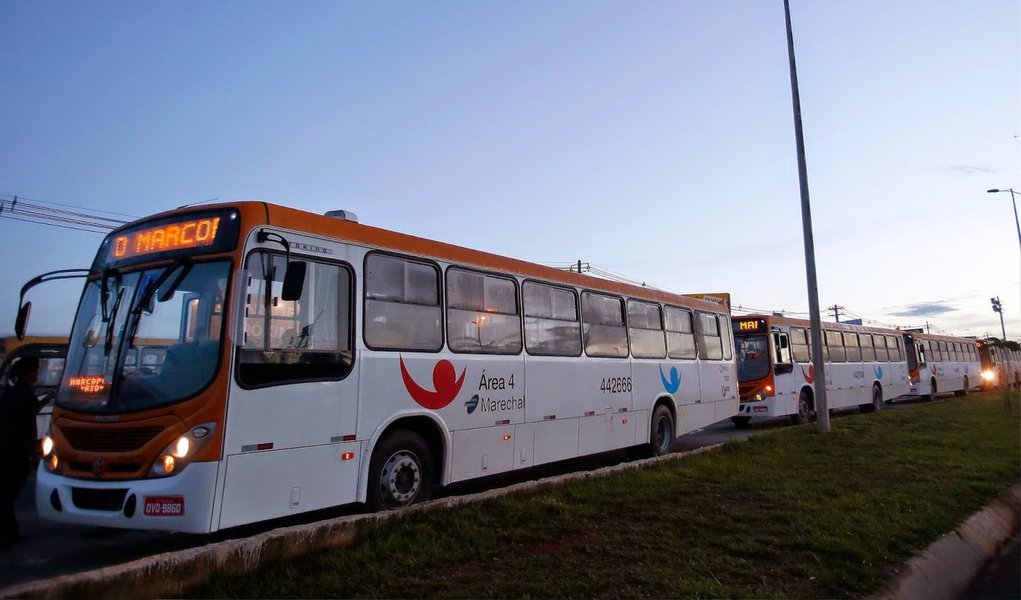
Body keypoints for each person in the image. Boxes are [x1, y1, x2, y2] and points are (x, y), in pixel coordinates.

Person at [0, 356, 46, 549]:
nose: (38, 374)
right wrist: (33, 454)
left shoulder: (10, 393)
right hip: (17, 451)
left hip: (5, 448)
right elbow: (28, 424)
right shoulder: (26, 394)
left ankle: (10, 531)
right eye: (37, 370)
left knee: (6, 493)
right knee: (9, 493)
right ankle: (8, 533)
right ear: (30, 372)